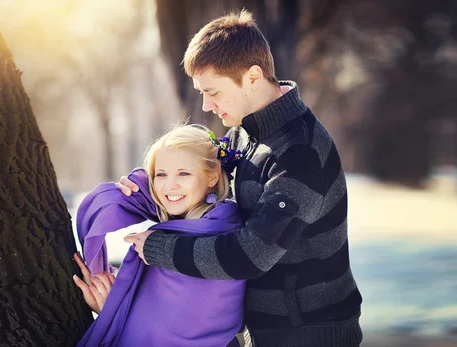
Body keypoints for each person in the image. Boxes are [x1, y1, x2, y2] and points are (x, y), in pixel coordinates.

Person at [121, 10, 363, 347]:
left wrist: (158, 247)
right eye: (202, 93)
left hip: (311, 332)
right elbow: (196, 171)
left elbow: (250, 255)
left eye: (214, 92)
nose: (206, 105)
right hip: (261, 328)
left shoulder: (300, 153)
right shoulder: (244, 134)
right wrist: (140, 188)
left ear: (252, 77)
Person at [72, 124, 248, 347]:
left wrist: (114, 309)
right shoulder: (177, 223)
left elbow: (173, 331)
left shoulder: (220, 233)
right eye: (160, 174)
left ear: (212, 177)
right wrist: (133, 186)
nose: (169, 186)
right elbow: (100, 206)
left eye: (184, 173)